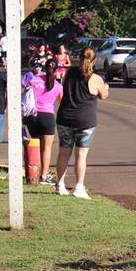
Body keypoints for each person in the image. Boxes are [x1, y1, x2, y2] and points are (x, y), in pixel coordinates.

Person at [55, 46, 109, 200]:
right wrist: (105, 87)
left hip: (65, 118)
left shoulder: (69, 73)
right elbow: (103, 95)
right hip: (85, 121)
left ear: (79, 58)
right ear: (94, 60)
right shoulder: (96, 78)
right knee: (81, 154)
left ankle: (60, 184)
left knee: (64, 151)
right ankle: (79, 186)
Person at [25, 58, 63, 184]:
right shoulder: (58, 86)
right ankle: (44, 175)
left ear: (44, 68)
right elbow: (62, 102)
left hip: (33, 116)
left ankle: (32, 172)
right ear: (57, 70)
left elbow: (26, 91)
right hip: (47, 117)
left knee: (35, 146)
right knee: (46, 148)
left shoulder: (34, 80)